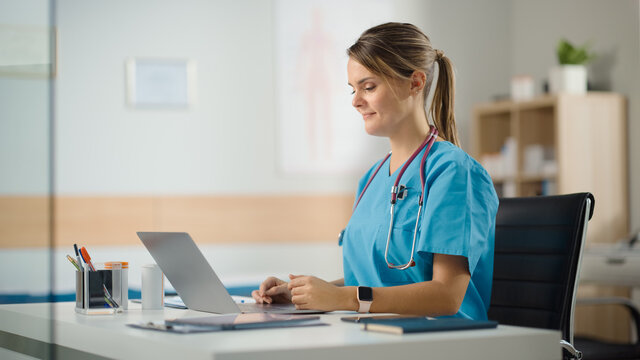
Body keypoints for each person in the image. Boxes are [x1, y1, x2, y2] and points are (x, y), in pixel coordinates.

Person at [252, 22, 498, 319]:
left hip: (441, 340)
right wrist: (307, 295)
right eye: (353, 89)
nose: (356, 101)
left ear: (415, 83)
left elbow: (446, 296)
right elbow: (378, 283)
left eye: (368, 87)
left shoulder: (455, 173)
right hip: (376, 333)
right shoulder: (371, 179)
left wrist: (342, 298)